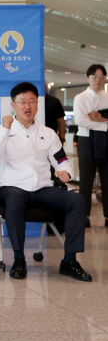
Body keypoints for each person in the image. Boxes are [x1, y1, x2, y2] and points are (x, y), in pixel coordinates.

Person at [0, 82, 91, 281]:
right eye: (22, 102)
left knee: (77, 201)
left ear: (37, 104)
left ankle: (69, 261)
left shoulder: (48, 133)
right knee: (15, 200)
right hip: (12, 187)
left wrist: (65, 171)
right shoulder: (0, 130)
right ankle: (19, 260)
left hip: (42, 188)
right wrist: (5, 130)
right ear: (13, 105)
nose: (27, 106)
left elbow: (61, 159)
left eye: (32, 101)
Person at [74, 64, 108, 227]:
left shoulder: (107, 96)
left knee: (106, 178)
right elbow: (81, 120)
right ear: (88, 78)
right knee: (86, 179)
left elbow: (91, 119)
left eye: (102, 77)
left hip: (105, 140)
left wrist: (99, 119)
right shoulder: (80, 98)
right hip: (86, 140)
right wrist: (104, 123)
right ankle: (84, 216)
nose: (98, 80)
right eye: (95, 76)